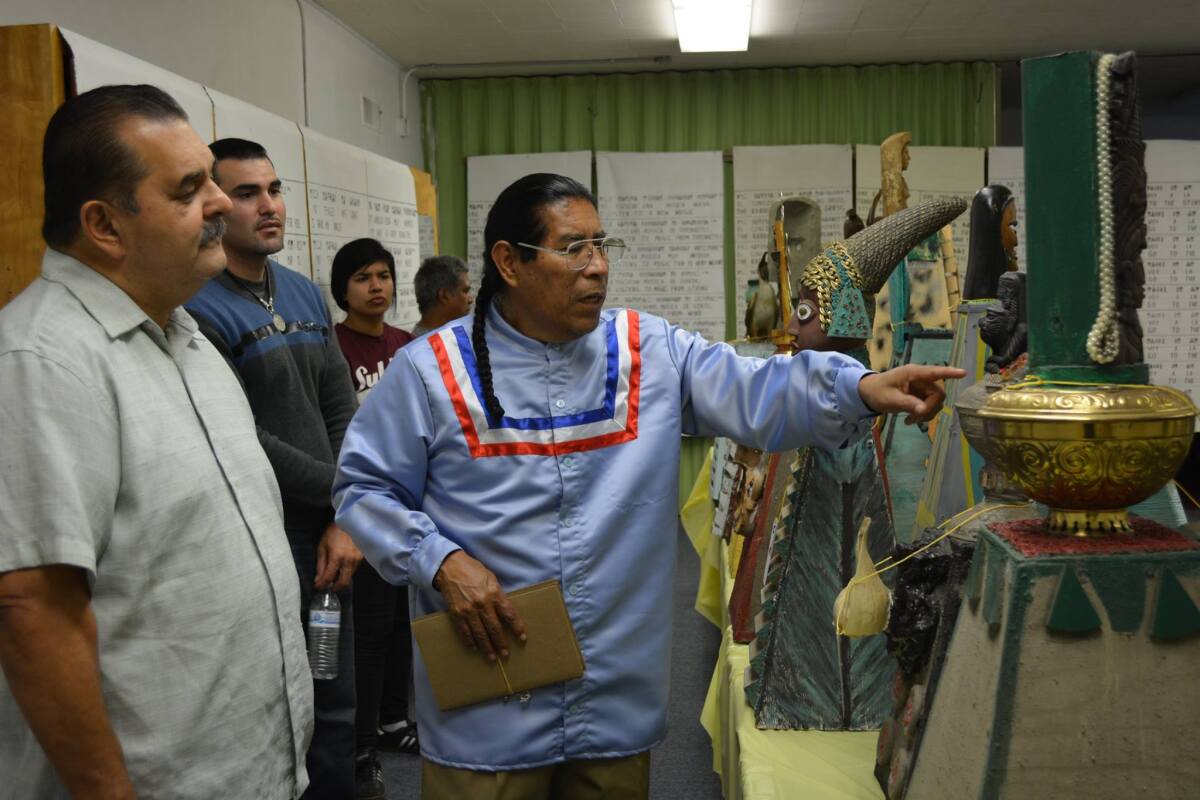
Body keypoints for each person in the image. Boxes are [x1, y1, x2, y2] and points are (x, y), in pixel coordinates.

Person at [332, 173, 963, 799]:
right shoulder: (430, 371)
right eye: (573, 248)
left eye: (603, 245)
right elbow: (363, 490)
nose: (597, 267)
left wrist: (859, 388)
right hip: (490, 705)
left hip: (611, 701)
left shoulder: (646, 351)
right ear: (510, 263)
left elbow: (756, 388)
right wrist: (440, 562)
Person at [0, 85, 313, 799]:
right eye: (189, 188)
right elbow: (33, 614)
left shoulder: (184, 335)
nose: (223, 205)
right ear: (105, 225)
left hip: (249, 771)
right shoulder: (43, 361)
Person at [185, 138, 361, 799]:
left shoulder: (302, 291)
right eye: (249, 193)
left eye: (276, 189)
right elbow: (241, 434)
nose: (270, 206)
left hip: (333, 524)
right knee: (280, 706)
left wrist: (348, 509)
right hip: (266, 530)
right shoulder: (197, 304)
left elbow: (339, 399)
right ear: (214, 205)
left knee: (337, 700)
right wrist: (344, 494)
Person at [329, 237, 417, 799]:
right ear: (343, 289)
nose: (376, 286)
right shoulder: (330, 345)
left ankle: (393, 721)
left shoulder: (407, 346)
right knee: (369, 630)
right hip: (359, 507)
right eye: (363, 277)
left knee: (403, 622)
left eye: (383, 275)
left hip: (405, 503)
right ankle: (361, 742)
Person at [410, 255, 472, 337]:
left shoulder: (447, 337)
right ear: (444, 296)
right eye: (465, 291)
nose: (471, 299)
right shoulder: (425, 347)